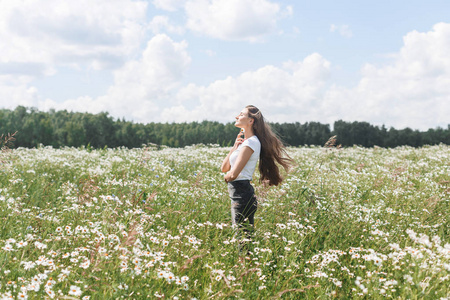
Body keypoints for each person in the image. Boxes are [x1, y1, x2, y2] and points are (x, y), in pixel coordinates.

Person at [221, 105, 293, 252]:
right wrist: (234, 147)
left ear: (251, 121)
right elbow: (224, 168)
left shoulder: (251, 143)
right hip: (239, 194)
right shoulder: (244, 144)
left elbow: (232, 174)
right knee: (242, 239)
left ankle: (246, 271)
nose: (237, 117)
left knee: (243, 242)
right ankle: (247, 270)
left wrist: (226, 177)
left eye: (241, 114)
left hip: (241, 194)